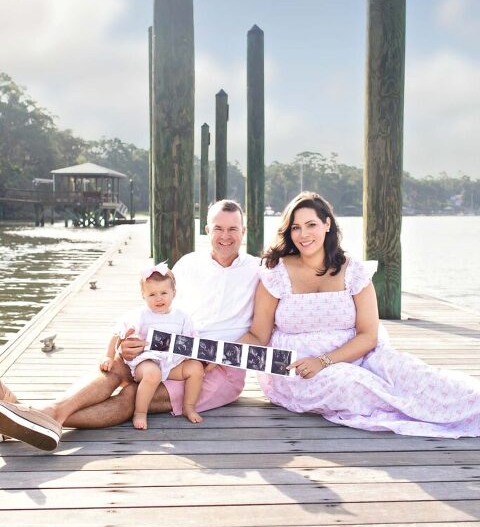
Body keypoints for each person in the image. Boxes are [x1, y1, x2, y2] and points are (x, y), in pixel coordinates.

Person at [0, 199, 260, 451]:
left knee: (132, 396)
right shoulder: (189, 264)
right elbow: (159, 306)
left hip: (221, 367)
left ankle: (30, 415)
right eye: (218, 228)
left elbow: (260, 334)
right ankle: (39, 416)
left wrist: (216, 355)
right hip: (169, 349)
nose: (225, 236)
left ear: (243, 231)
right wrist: (131, 341)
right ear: (207, 230)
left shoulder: (257, 270)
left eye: (233, 229)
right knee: (115, 365)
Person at [241, 191, 480, 438]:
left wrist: (324, 359)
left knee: (414, 374)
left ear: (327, 224)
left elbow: (368, 335)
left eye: (311, 224)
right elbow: (258, 336)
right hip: (300, 370)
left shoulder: (353, 271)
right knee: (353, 383)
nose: (303, 235)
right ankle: (440, 416)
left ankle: (473, 406)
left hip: (358, 354)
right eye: (295, 227)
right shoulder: (276, 273)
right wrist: (212, 357)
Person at [101, 263, 204, 429]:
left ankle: (189, 407)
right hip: (147, 361)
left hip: (172, 362)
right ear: (143, 296)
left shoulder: (182, 317)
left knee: (196, 368)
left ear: (174, 293)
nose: (159, 298)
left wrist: (198, 355)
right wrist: (108, 355)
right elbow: (118, 333)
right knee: (153, 374)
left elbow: (191, 340)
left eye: (164, 293)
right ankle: (140, 413)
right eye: (152, 294)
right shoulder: (140, 316)